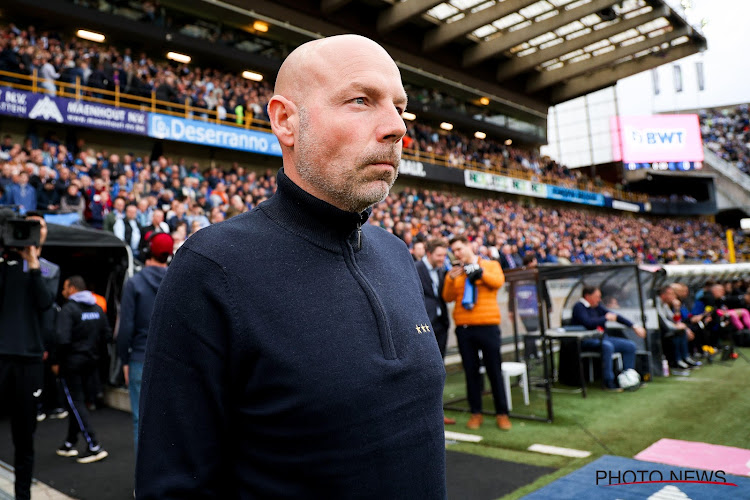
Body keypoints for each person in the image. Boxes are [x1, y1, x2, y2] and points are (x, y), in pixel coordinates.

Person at [136, 35, 446, 498]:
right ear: (286, 121)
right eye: (361, 100)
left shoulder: (399, 256)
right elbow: (174, 487)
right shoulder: (211, 268)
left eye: (400, 108)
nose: (396, 127)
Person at [0, 212, 54, 500]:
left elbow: (46, 303)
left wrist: (32, 265)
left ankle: (23, 495)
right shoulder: (4, 264)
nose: (31, 232)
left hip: (30, 359)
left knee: (25, 436)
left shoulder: (49, 269)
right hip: (2, 356)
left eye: (37, 226)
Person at [442, 235, 511, 431]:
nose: (457, 253)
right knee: (471, 372)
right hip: (464, 328)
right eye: (454, 251)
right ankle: (476, 413)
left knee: (494, 371)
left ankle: (502, 413)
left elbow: (498, 282)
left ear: (468, 246)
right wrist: (449, 279)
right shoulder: (455, 272)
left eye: (459, 249)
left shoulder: (489, 265)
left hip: (488, 325)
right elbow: (447, 297)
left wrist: (479, 272)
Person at [117, 232, 173, 453]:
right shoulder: (176, 279)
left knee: (141, 422)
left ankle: (144, 485)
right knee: (169, 423)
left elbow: (125, 328)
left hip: (141, 358)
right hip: (170, 360)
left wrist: (124, 360)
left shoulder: (135, 283)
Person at [54, 276, 110, 463]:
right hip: (91, 363)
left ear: (71, 289)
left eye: (64, 288)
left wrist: (55, 361)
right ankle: (70, 442)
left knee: (75, 402)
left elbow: (62, 339)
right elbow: (106, 336)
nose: (62, 292)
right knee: (77, 403)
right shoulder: (97, 308)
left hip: (72, 364)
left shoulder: (68, 309)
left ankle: (94, 445)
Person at [571, 286, 647, 391]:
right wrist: (604, 318)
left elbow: (615, 316)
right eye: (597, 296)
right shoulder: (579, 307)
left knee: (630, 346)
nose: (599, 299)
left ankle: (629, 378)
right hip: (587, 341)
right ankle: (609, 382)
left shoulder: (597, 306)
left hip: (603, 338)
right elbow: (588, 323)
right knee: (607, 347)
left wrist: (634, 326)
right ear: (588, 296)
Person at [415, 238, 455, 425]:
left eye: (444, 255)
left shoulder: (441, 271)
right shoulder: (414, 268)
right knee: (424, 370)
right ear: (428, 253)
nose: (442, 259)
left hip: (441, 325)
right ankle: (422, 413)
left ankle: (437, 412)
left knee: (439, 369)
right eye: (439, 255)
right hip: (423, 327)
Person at [656, 286, 699, 369]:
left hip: (666, 329)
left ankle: (685, 358)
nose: (674, 297)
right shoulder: (655, 303)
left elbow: (674, 319)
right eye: (671, 294)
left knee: (682, 331)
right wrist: (678, 327)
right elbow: (663, 322)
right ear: (663, 295)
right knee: (679, 332)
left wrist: (676, 309)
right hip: (658, 331)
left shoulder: (664, 305)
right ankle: (677, 361)